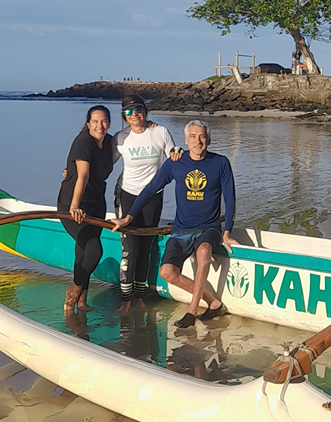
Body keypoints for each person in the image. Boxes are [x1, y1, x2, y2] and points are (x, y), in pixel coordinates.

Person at [112, 119, 235, 328]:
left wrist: (227, 232)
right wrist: (128, 217)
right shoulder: (175, 162)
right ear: (186, 141)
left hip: (209, 227)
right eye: (193, 137)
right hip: (181, 229)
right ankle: (212, 302)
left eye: (203, 136)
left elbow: (230, 199)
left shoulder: (220, 163)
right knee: (166, 272)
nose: (198, 141)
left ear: (209, 140)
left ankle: (192, 312)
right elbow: (151, 189)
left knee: (204, 252)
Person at [113, 94, 179, 313]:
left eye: (138, 109)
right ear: (123, 116)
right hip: (128, 196)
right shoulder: (121, 138)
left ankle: (139, 296)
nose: (134, 115)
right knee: (129, 250)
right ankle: (125, 299)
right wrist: (72, 171)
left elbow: (175, 159)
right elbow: (101, 163)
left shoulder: (159, 132)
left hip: (153, 197)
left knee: (146, 248)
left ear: (145, 111)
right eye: (128, 111)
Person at [59, 105, 116, 314]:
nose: (100, 126)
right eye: (95, 122)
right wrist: (74, 206)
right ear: (88, 124)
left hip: (96, 205)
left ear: (109, 123)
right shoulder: (83, 142)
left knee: (82, 250)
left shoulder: (109, 142)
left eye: (104, 122)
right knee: (94, 250)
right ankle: (74, 290)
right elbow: (82, 176)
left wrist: (150, 126)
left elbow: (132, 138)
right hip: (72, 204)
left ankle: (82, 301)